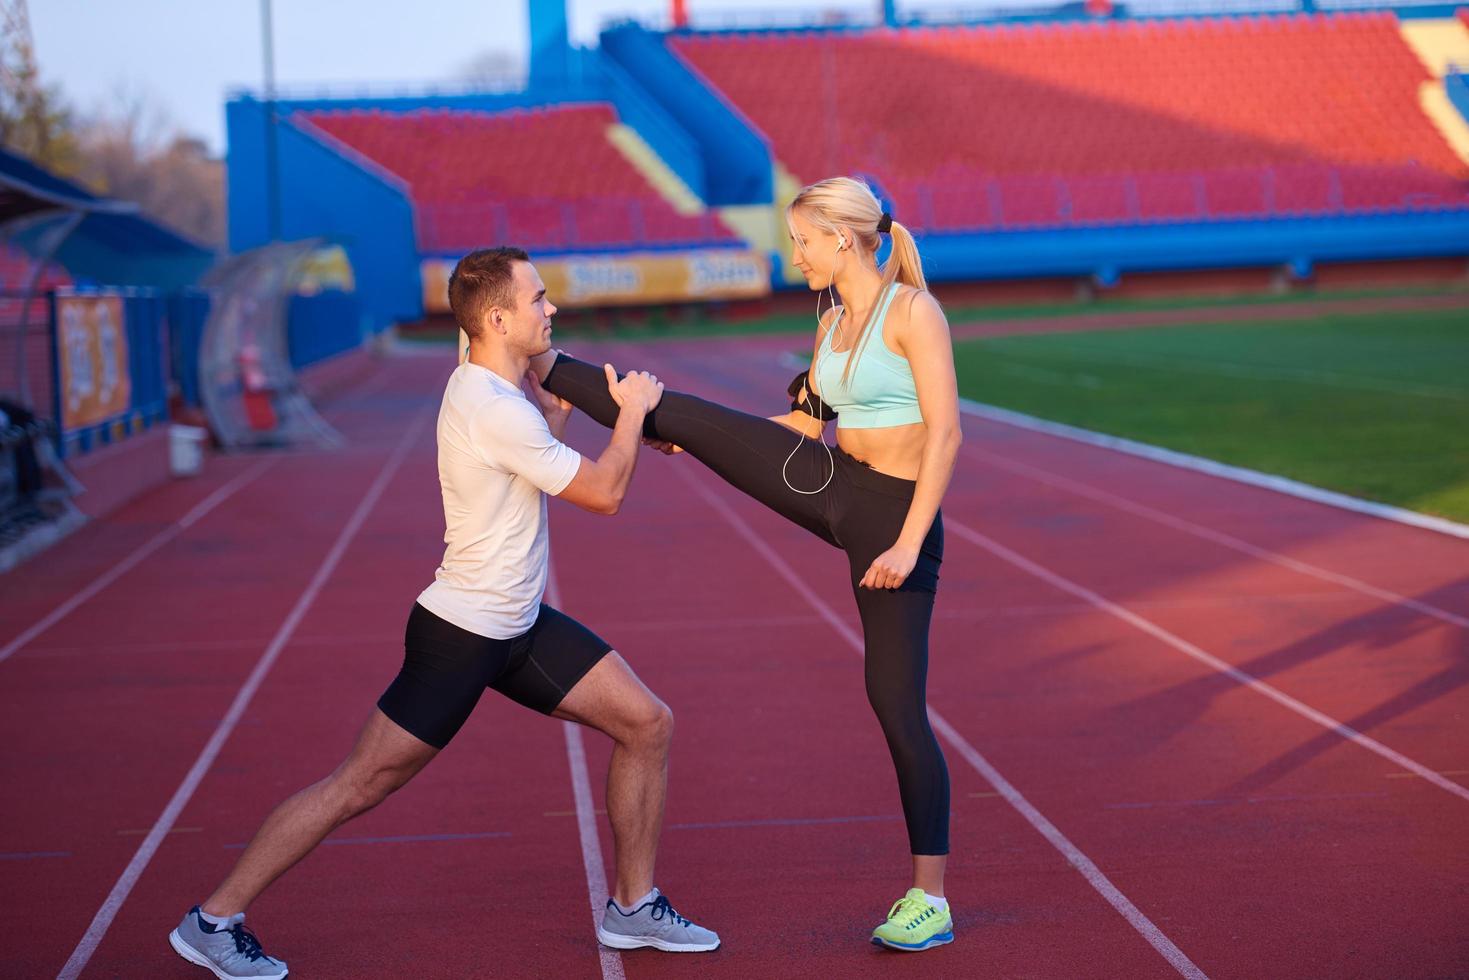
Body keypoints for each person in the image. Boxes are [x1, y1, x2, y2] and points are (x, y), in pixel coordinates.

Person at [169, 247, 720, 980]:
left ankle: (632, 905)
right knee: (357, 786)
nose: (549, 309)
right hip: (461, 637)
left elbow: (521, 475)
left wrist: (553, 420)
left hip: (516, 626)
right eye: (537, 299)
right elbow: (606, 494)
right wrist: (631, 416)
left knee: (646, 723)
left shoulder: (492, 394)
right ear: (497, 319)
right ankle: (213, 919)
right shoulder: (491, 407)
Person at [532, 177, 962, 952]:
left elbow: (946, 436)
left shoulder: (911, 312)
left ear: (839, 237)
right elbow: (806, 419)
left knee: (894, 706)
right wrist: (695, 438)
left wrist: (905, 544)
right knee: (690, 416)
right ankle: (542, 359)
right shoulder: (833, 319)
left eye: (799, 240)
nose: (789, 254)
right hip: (833, 484)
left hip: (895, 522)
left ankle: (928, 899)